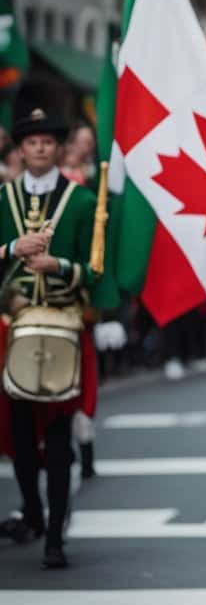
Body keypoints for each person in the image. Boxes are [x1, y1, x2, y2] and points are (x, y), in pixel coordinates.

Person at [0, 109, 100, 567]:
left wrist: (58, 267)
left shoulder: (82, 202)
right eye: (31, 142)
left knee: (58, 438)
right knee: (21, 437)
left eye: (47, 142)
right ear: (20, 150)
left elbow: (97, 269)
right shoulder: (3, 200)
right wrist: (9, 252)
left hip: (63, 325)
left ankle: (56, 535)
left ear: (58, 149)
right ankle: (35, 511)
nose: (39, 148)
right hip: (15, 329)